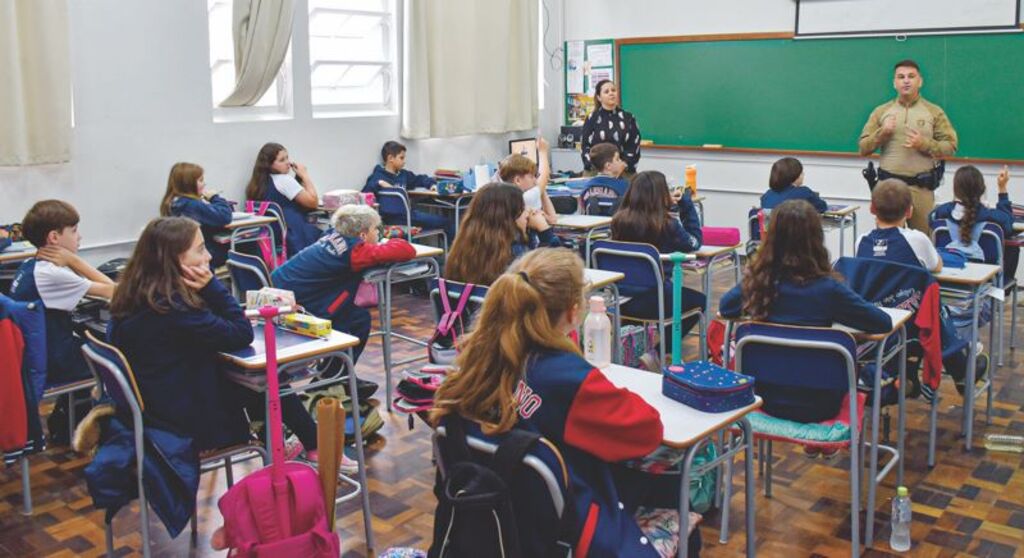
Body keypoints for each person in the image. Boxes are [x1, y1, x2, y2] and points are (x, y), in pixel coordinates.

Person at [432, 248, 701, 557]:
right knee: (675, 494)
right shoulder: (569, 379)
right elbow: (648, 431)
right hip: (567, 531)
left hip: (490, 522)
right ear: (574, 312)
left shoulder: (477, 366)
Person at [108, 217, 353, 470]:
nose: (209, 258)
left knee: (256, 379)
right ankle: (310, 447)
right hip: (185, 422)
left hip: (153, 408)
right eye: (200, 249)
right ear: (175, 259)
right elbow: (240, 333)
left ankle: (286, 444)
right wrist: (212, 287)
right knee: (267, 378)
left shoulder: (136, 293)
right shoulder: (173, 307)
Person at [720, 200, 891, 423]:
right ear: (817, 239)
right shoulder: (829, 289)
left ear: (771, 239)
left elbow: (726, 307)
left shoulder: (760, 281)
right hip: (821, 403)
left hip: (764, 396)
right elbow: (882, 322)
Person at [856, 179, 986, 397]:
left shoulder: (861, 241)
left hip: (877, 322)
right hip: (914, 327)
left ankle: (910, 375)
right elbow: (937, 265)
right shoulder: (917, 239)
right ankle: (961, 370)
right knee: (935, 308)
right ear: (909, 211)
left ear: (872, 209)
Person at [272, 205, 415, 393]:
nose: (377, 234)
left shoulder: (332, 236)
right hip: (298, 306)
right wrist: (387, 243)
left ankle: (337, 378)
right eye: (375, 230)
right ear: (363, 235)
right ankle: (333, 379)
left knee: (353, 317)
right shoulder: (355, 252)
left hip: (285, 294)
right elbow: (406, 250)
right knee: (357, 321)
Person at [9, 200, 115, 444]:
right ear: (54, 237)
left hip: (34, 357)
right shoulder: (52, 273)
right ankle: (105, 435)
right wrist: (75, 262)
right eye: (74, 230)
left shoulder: (30, 265)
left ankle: (66, 423)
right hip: (53, 361)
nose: (80, 237)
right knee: (116, 359)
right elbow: (118, 292)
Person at [858, 59, 958, 235]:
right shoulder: (881, 111)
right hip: (887, 188)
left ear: (920, 81)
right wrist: (882, 134)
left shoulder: (934, 111)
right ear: (894, 83)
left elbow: (950, 146)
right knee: (886, 244)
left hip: (920, 189)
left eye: (911, 76)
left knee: (922, 243)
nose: (906, 80)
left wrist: (925, 145)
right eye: (901, 77)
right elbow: (863, 148)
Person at [611, 171, 706, 344]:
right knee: (700, 301)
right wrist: (686, 206)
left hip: (620, 299)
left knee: (651, 292)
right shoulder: (667, 225)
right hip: (655, 301)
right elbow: (695, 242)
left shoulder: (618, 221)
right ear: (660, 196)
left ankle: (634, 349)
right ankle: (663, 349)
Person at [445, 183, 561, 285]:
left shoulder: (463, 248)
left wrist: (528, 232)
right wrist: (544, 231)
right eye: (522, 208)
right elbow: (559, 273)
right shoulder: (514, 253)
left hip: (472, 308)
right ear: (509, 217)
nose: (528, 213)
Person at [932, 165, 1018, 279]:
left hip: (947, 275)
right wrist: (1002, 189)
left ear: (955, 189)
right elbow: (1008, 223)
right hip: (987, 279)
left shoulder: (940, 213)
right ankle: (1004, 290)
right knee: (1012, 248)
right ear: (982, 189)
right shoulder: (992, 216)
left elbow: (932, 218)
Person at [362, 140, 454, 242]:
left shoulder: (403, 174)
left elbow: (421, 179)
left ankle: (445, 252)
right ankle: (455, 255)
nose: (404, 161)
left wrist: (432, 184)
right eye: (401, 158)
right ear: (390, 158)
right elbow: (365, 195)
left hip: (408, 217)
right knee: (447, 222)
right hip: (396, 218)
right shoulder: (377, 177)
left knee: (441, 222)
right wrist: (379, 183)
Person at [245, 142, 322, 256]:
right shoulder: (284, 180)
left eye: (287, 158)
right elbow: (312, 202)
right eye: (282, 160)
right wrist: (305, 175)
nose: (288, 163)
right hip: (292, 236)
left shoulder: (257, 184)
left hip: (272, 237)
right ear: (269, 165)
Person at [159, 162, 233, 269]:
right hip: (203, 253)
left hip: (182, 254)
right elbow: (225, 217)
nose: (204, 184)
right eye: (200, 180)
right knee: (247, 246)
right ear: (189, 184)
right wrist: (214, 197)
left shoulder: (171, 202)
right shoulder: (192, 205)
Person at [581, 80, 642, 176]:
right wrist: (599, 167)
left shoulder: (628, 118)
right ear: (599, 97)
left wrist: (622, 166)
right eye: (606, 92)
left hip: (624, 172)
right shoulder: (592, 118)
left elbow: (634, 146)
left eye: (613, 90)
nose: (611, 93)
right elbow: (585, 146)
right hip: (596, 171)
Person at [499, 137, 557, 224]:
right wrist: (543, 151)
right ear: (517, 180)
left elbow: (552, 219)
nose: (535, 180)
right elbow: (544, 175)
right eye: (531, 177)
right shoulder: (525, 198)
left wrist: (541, 190)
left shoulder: (504, 197)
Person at [760, 157, 827, 213]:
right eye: (801, 172)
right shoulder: (804, 192)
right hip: (795, 229)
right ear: (795, 175)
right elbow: (822, 207)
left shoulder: (767, 195)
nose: (803, 174)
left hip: (772, 229)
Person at [580, 142, 629, 216]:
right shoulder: (625, 186)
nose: (621, 162)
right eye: (618, 159)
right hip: (616, 225)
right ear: (608, 166)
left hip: (593, 225)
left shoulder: (587, 186)